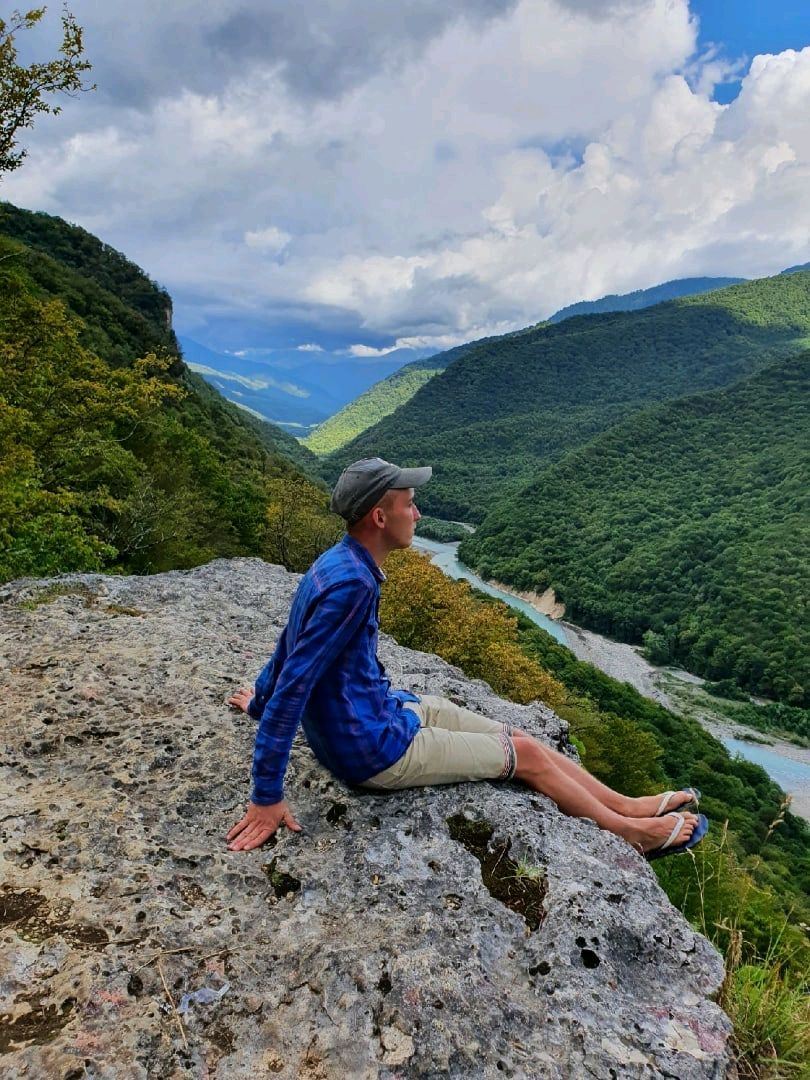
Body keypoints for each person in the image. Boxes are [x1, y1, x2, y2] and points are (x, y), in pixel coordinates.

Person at [227, 457, 708, 858]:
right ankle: (629, 834)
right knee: (529, 756)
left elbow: (289, 646)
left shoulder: (336, 562)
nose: (416, 515)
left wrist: (257, 703)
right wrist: (266, 794)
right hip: (372, 751)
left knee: (519, 736)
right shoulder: (352, 584)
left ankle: (627, 804)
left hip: (384, 712)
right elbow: (295, 682)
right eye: (409, 505)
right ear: (379, 517)